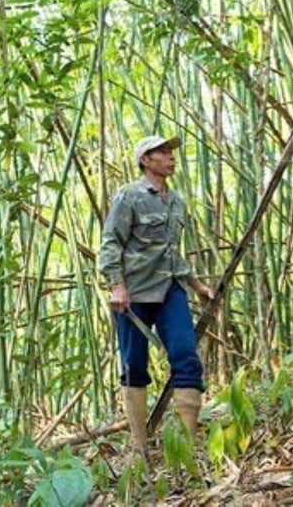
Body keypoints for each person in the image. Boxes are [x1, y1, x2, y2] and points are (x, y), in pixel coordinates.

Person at [98, 134, 214, 458]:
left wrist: (197, 285)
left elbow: (171, 253)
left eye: (170, 152)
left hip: (169, 290)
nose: (170, 157)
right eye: (162, 152)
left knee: (186, 356)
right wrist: (116, 285)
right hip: (134, 295)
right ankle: (140, 446)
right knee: (134, 366)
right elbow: (111, 243)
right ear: (146, 160)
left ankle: (189, 449)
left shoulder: (176, 201)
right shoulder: (129, 196)